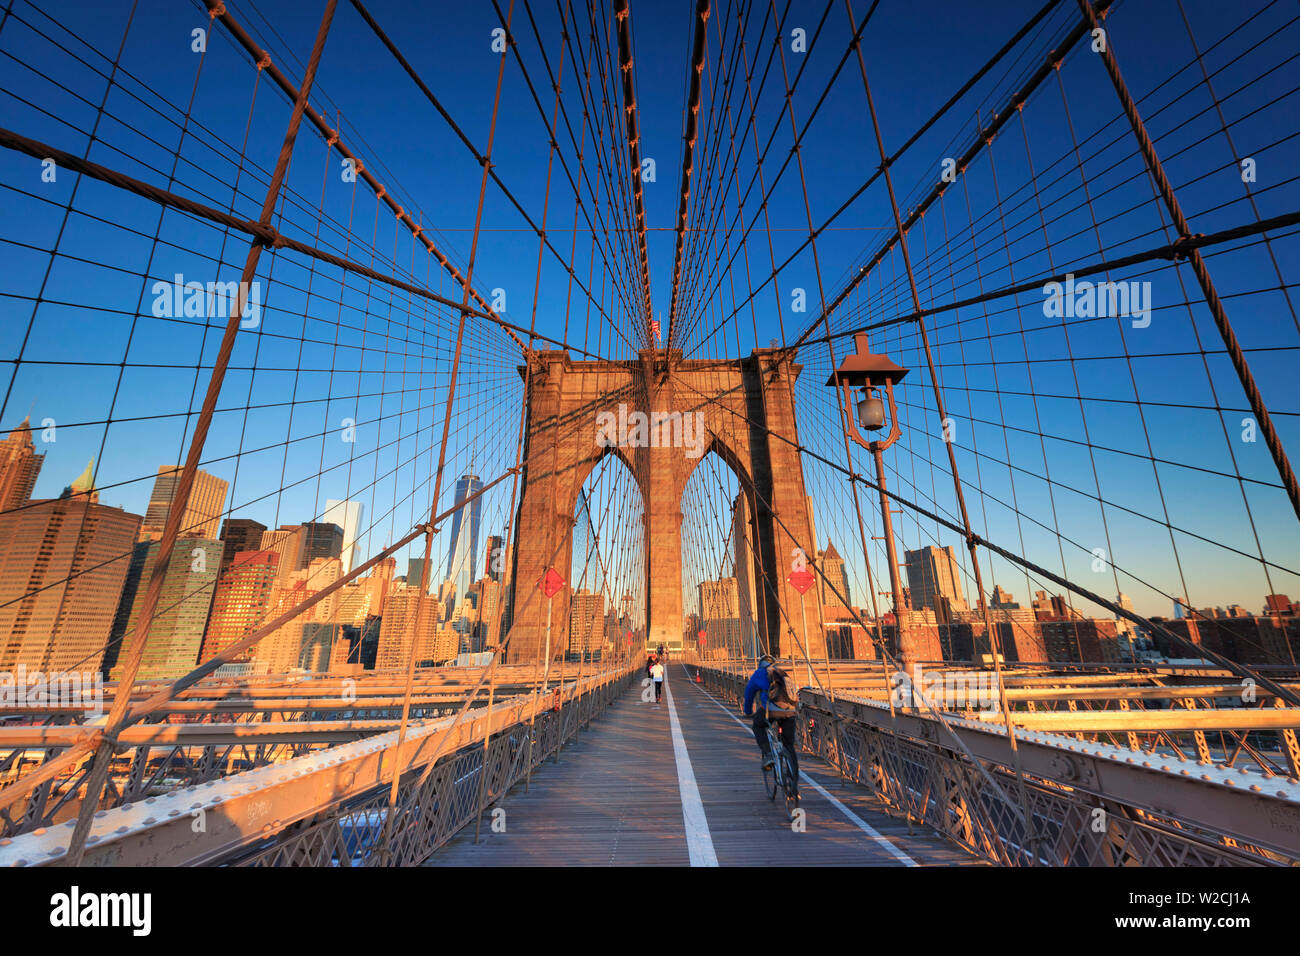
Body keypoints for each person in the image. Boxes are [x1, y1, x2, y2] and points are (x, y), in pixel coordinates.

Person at [742, 654, 799, 779]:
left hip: (770, 711)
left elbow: (749, 693)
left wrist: (747, 711)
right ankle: (794, 780)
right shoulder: (783, 674)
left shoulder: (759, 673)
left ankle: (768, 754)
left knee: (757, 725)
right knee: (789, 745)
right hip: (790, 711)